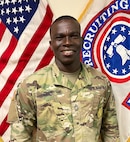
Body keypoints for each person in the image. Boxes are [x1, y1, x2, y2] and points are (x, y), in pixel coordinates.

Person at [7, 15, 120, 142]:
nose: (67, 42)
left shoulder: (101, 82)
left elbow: (111, 132)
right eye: (60, 37)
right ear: (51, 44)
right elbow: (19, 136)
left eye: (73, 36)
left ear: (81, 41)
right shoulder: (30, 86)